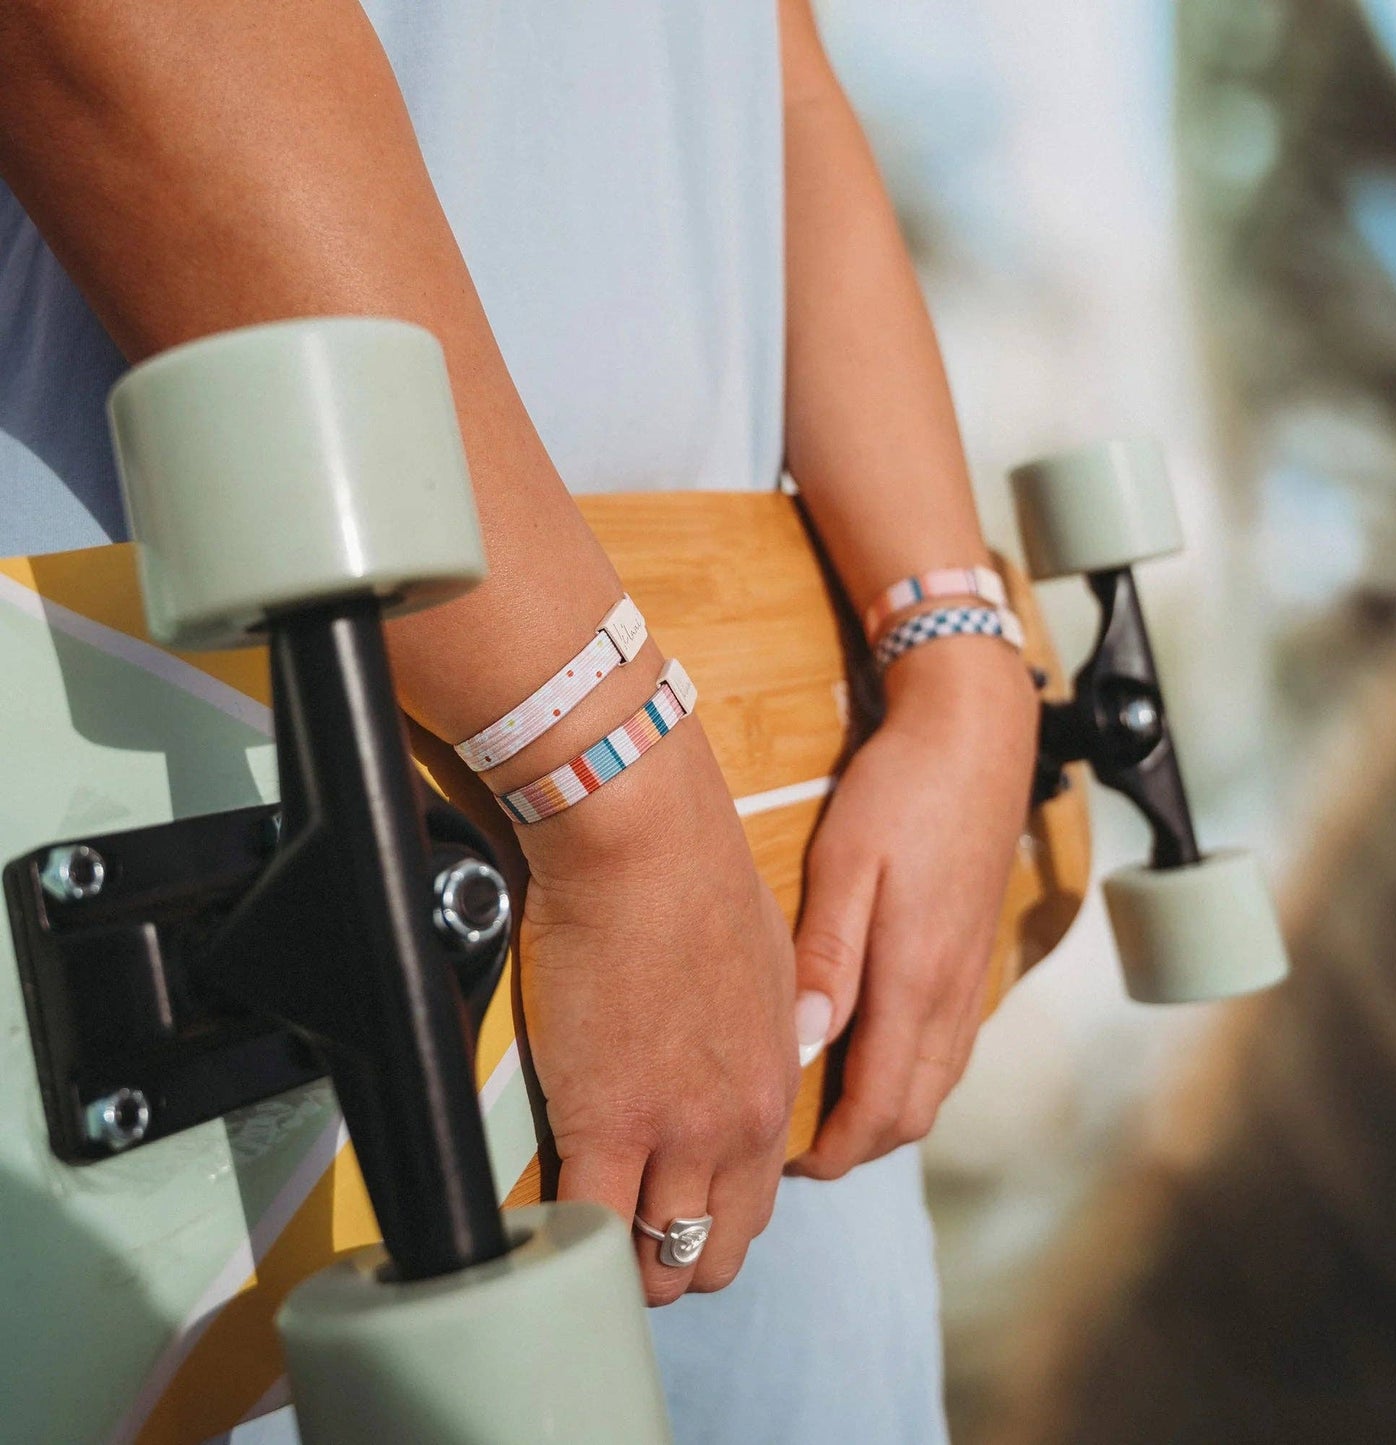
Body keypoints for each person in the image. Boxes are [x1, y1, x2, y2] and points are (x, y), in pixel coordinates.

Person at [0, 2, 1036, 1440]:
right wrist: (615, 786)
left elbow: (773, 63)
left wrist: (959, 662)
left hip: (729, 949)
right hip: (182, 866)